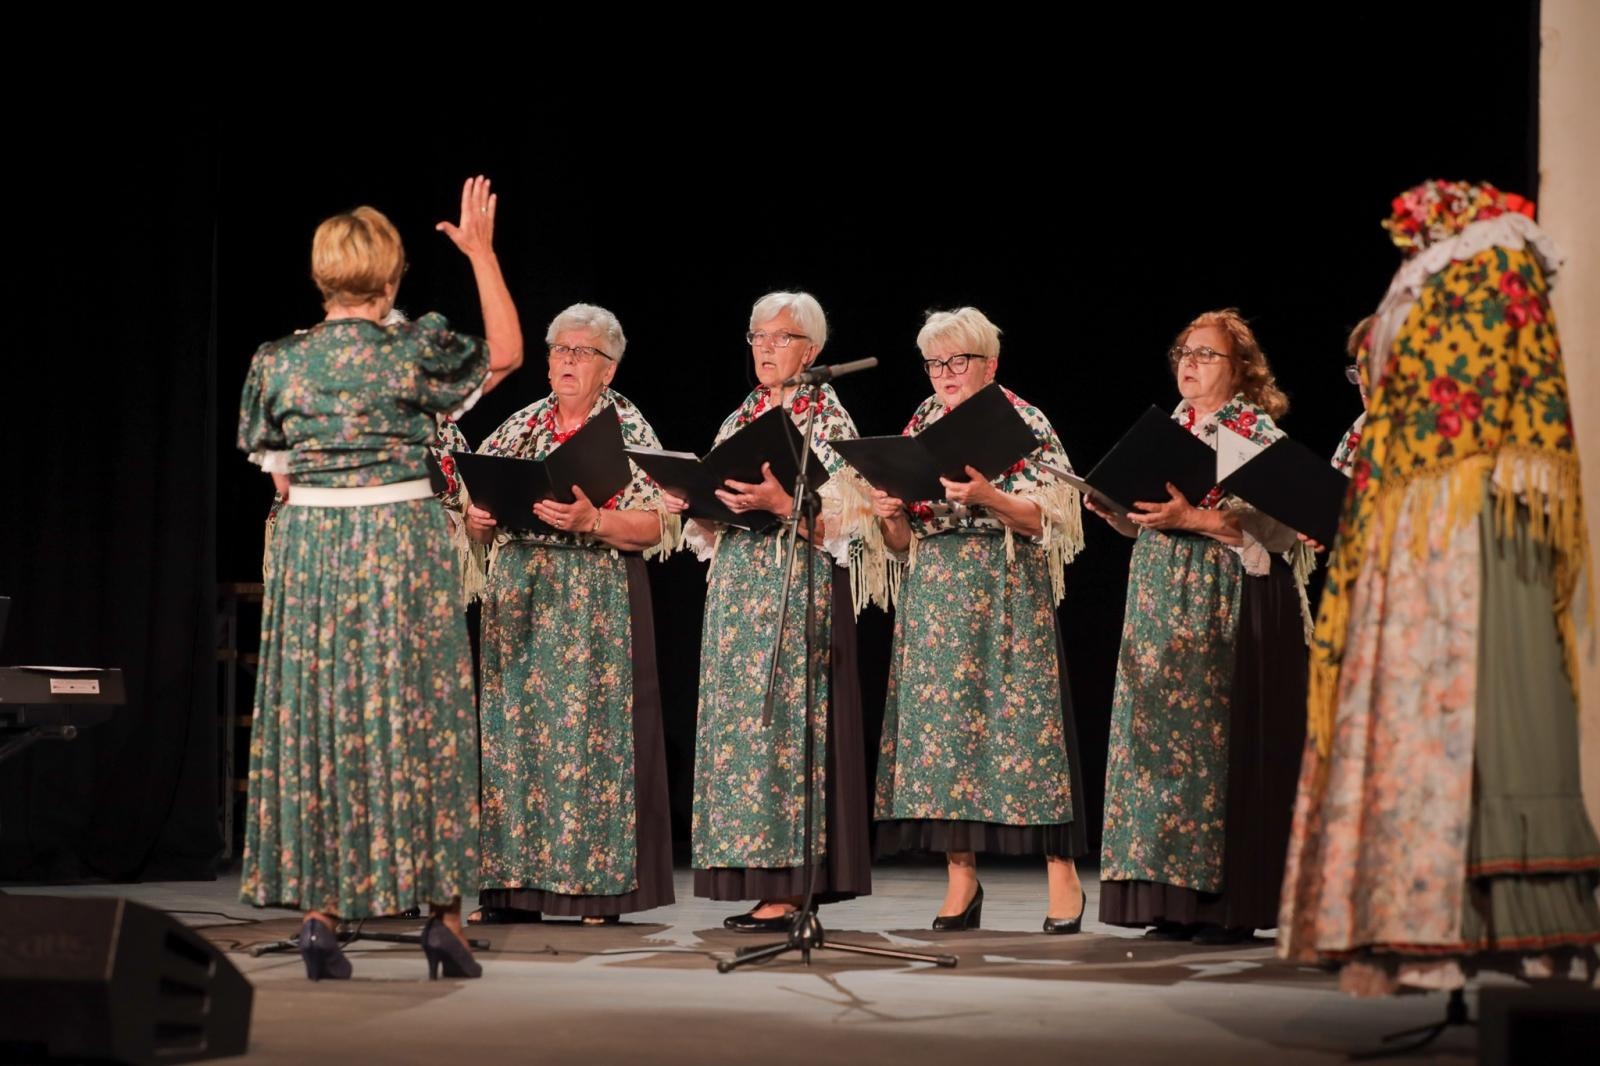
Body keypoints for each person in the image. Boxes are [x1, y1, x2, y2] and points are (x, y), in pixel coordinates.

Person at [1278, 180, 1600, 994]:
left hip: (1471, 533)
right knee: (1430, 721)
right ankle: (1419, 922)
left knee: (1497, 719)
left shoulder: (1489, 273)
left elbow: (1506, 406)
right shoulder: (1431, 286)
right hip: (1415, 538)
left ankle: (1507, 928)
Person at [237, 177, 523, 980]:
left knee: (323, 718)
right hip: (400, 543)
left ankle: (322, 914)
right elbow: (504, 354)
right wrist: (481, 254)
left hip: (313, 548)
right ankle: (443, 919)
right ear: (392, 278)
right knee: (421, 719)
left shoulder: (278, 364)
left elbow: (282, 480)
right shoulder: (413, 352)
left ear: (323, 276)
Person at [1091, 309, 1310, 945]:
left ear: (1239, 369)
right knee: (1154, 739)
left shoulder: (1253, 432)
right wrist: (1121, 515)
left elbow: (1281, 530)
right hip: (1159, 596)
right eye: (1184, 351)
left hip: (1223, 596)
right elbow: (1158, 514)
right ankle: (1166, 899)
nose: (1189, 363)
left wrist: (1194, 520)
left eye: (1206, 355)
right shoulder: (1175, 427)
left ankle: (1221, 904)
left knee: (1208, 744)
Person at [869, 307, 1089, 933]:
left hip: (1003, 590)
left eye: (956, 362)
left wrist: (990, 496)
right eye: (935, 363)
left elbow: (1052, 518)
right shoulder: (922, 420)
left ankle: (1062, 879)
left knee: (1025, 733)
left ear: (990, 364)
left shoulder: (1021, 419)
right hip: (935, 597)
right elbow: (902, 542)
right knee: (943, 742)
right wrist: (889, 512)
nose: (944, 374)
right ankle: (961, 881)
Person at [665, 291, 879, 931]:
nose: (764, 347)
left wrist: (787, 504)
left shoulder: (827, 419)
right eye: (756, 335)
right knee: (742, 736)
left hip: (795, 584)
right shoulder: (744, 415)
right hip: (737, 595)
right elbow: (721, 504)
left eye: (779, 338)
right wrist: (695, 502)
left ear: (809, 351)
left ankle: (790, 883)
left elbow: (852, 517)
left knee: (786, 729)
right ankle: (754, 873)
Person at [464, 303, 677, 927]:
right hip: (520, 598)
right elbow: (477, 503)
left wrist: (595, 520)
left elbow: (661, 524)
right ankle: (511, 889)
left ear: (608, 368)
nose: (565, 362)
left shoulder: (626, 429)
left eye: (581, 353)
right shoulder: (522, 424)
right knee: (513, 742)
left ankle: (596, 889)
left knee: (591, 744)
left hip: (594, 598)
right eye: (559, 350)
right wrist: (477, 522)